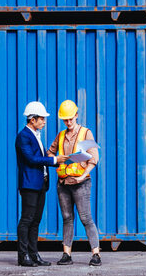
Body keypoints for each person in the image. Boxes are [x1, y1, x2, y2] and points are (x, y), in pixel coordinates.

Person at [47, 99, 102, 267]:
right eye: (65, 119)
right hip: (63, 184)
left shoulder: (86, 133)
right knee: (67, 218)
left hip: (81, 183)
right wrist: (56, 159)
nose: (68, 122)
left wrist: (82, 175)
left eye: (71, 118)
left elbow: (94, 158)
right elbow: (50, 153)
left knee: (86, 218)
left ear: (77, 115)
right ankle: (66, 254)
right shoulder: (61, 135)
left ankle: (96, 255)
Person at [15, 101, 67, 267]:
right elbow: (31, 159)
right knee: (26, 220)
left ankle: (34, 255)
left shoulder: (36, 135)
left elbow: (44, 157)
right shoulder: (23, 136)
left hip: (40, 185)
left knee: (35, 221)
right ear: (32, 120)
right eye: (42, 119)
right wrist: (54, 159)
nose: (44, 122)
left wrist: (63, 161)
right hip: (30, 185)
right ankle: (23, 257)